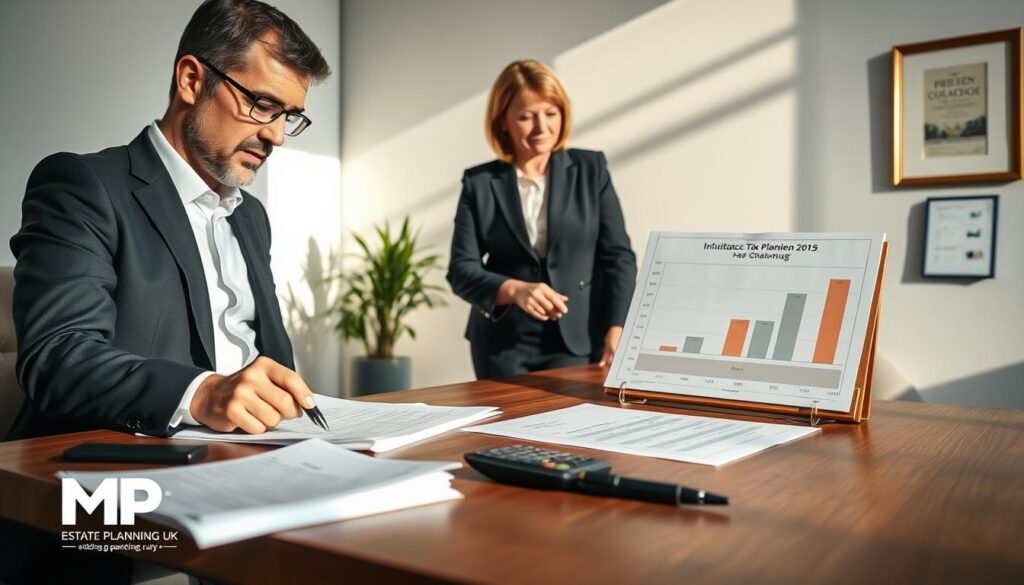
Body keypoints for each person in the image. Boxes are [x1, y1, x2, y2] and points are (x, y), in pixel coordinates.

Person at [3, 1, 332, 581]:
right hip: (113, 506)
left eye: (292, 116)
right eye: (263, 105)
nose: (277, 135)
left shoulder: (250, 217)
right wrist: (202, 392)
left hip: (247, 478)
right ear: (191, 79)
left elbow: (270, 363)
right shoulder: (84, 186)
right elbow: (59, 356)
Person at [447, 59, 637, 379]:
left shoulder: (591, 169)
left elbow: (618, 257)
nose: (541, 128)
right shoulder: (478, 183)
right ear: (503, 121)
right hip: (502, 345)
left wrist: (618, 327)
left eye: (551, 113)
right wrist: (513, 289)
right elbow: (461, 270)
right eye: (525, 117)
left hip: (578, 338)